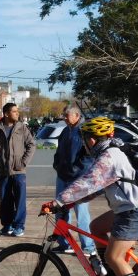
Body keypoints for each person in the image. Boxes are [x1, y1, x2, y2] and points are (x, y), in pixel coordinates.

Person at [53, 116, 138, 276]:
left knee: (114, 256)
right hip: (131, 208)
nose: (84, 143)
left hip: (137, 211)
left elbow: (88, 182)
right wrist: (71, 202)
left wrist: (58, 201)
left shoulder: (108, 157)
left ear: (92, 139)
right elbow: (98, 187)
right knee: (96, 227)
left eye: (86, 139)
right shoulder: (110, 153)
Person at [0, 102, 36, 237]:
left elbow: (31, 145)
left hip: (18, 171)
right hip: (2, 171)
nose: (17, 113)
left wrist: (23, 162)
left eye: (17, 111)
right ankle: (7, 225)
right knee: (5, 199)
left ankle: (19, 226)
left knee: (20, 200)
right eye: (14, 111)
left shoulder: (22, 128)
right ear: (6, 114)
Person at [51, 106, 95, 255]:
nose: (64, 118)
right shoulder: (64, 131)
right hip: (62, 177)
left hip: (78, 179)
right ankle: (64, 243)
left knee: (81, 213)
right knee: (60, 212)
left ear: (77, 115)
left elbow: (89, 156)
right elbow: (58, 152)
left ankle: (88, 247)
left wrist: (76, 170)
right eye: (63, 115)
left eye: (67, 115)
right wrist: (57, 165)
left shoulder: (84, 132)